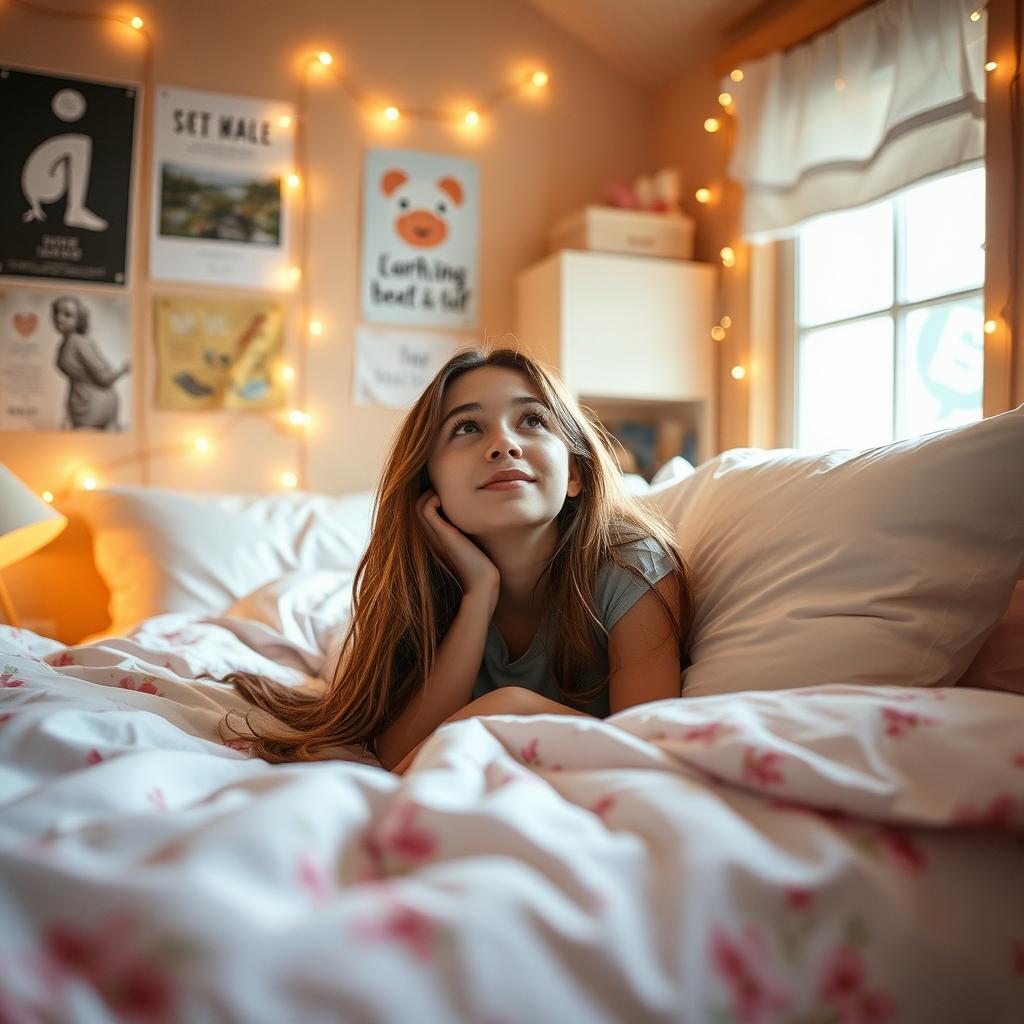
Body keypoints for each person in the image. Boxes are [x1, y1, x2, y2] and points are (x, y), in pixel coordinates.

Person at [220, 346, 695, 773]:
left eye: (531, 420)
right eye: (467, 428)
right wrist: (479, 592)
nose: (504, 444)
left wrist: (509, 705)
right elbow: (397, 756)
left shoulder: (633, 566)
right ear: (432, 488)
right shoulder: (425, 590)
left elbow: (646, 748)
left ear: (574, 472)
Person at [52, 296, 130, 430]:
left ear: (79, 320)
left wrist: (123, 370)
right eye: (57, 313)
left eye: (67, 315)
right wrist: (68, 411)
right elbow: (74, 380)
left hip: (95, 403)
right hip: (79, 402)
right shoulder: (64, 343)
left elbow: (104, 378)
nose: (60, 318)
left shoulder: (79, 343)